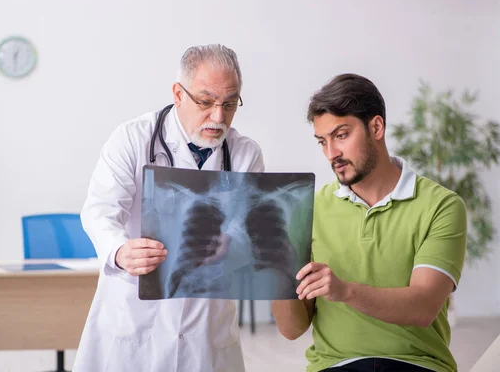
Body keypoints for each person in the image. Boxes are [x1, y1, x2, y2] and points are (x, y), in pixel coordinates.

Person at [72, 44, 264, 372]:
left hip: (207, 329)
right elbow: (100, 210)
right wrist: (119, 251)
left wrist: (234, 244)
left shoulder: (245, 154)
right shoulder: (132, 139)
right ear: (178, 94)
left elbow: (251, 230)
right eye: (205, 102)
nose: (218, 117)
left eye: (229, 104)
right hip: (135, 320)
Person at [272, 73, 467, 372]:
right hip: (334, 365)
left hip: (417, 365)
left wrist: (344, 291)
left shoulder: (441, 206)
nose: (331, 153)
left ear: (376, 127)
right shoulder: (310, 209)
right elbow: (291, 329)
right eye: (322, 141)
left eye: (341, 135)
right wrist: (275, 269)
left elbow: (424, 306)